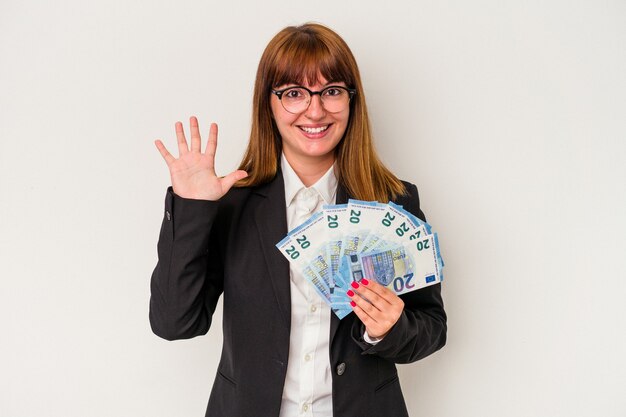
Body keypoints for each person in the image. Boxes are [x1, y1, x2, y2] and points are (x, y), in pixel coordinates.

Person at [150, 23, 446, 417]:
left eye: (332, 91)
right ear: (267, 104)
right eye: (294, 94)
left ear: (352, 100)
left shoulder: (393, 202)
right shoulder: (233, 206)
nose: (316, 109)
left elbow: (432, 327)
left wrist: (388, 328)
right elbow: (175, 323)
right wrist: (192, 208)